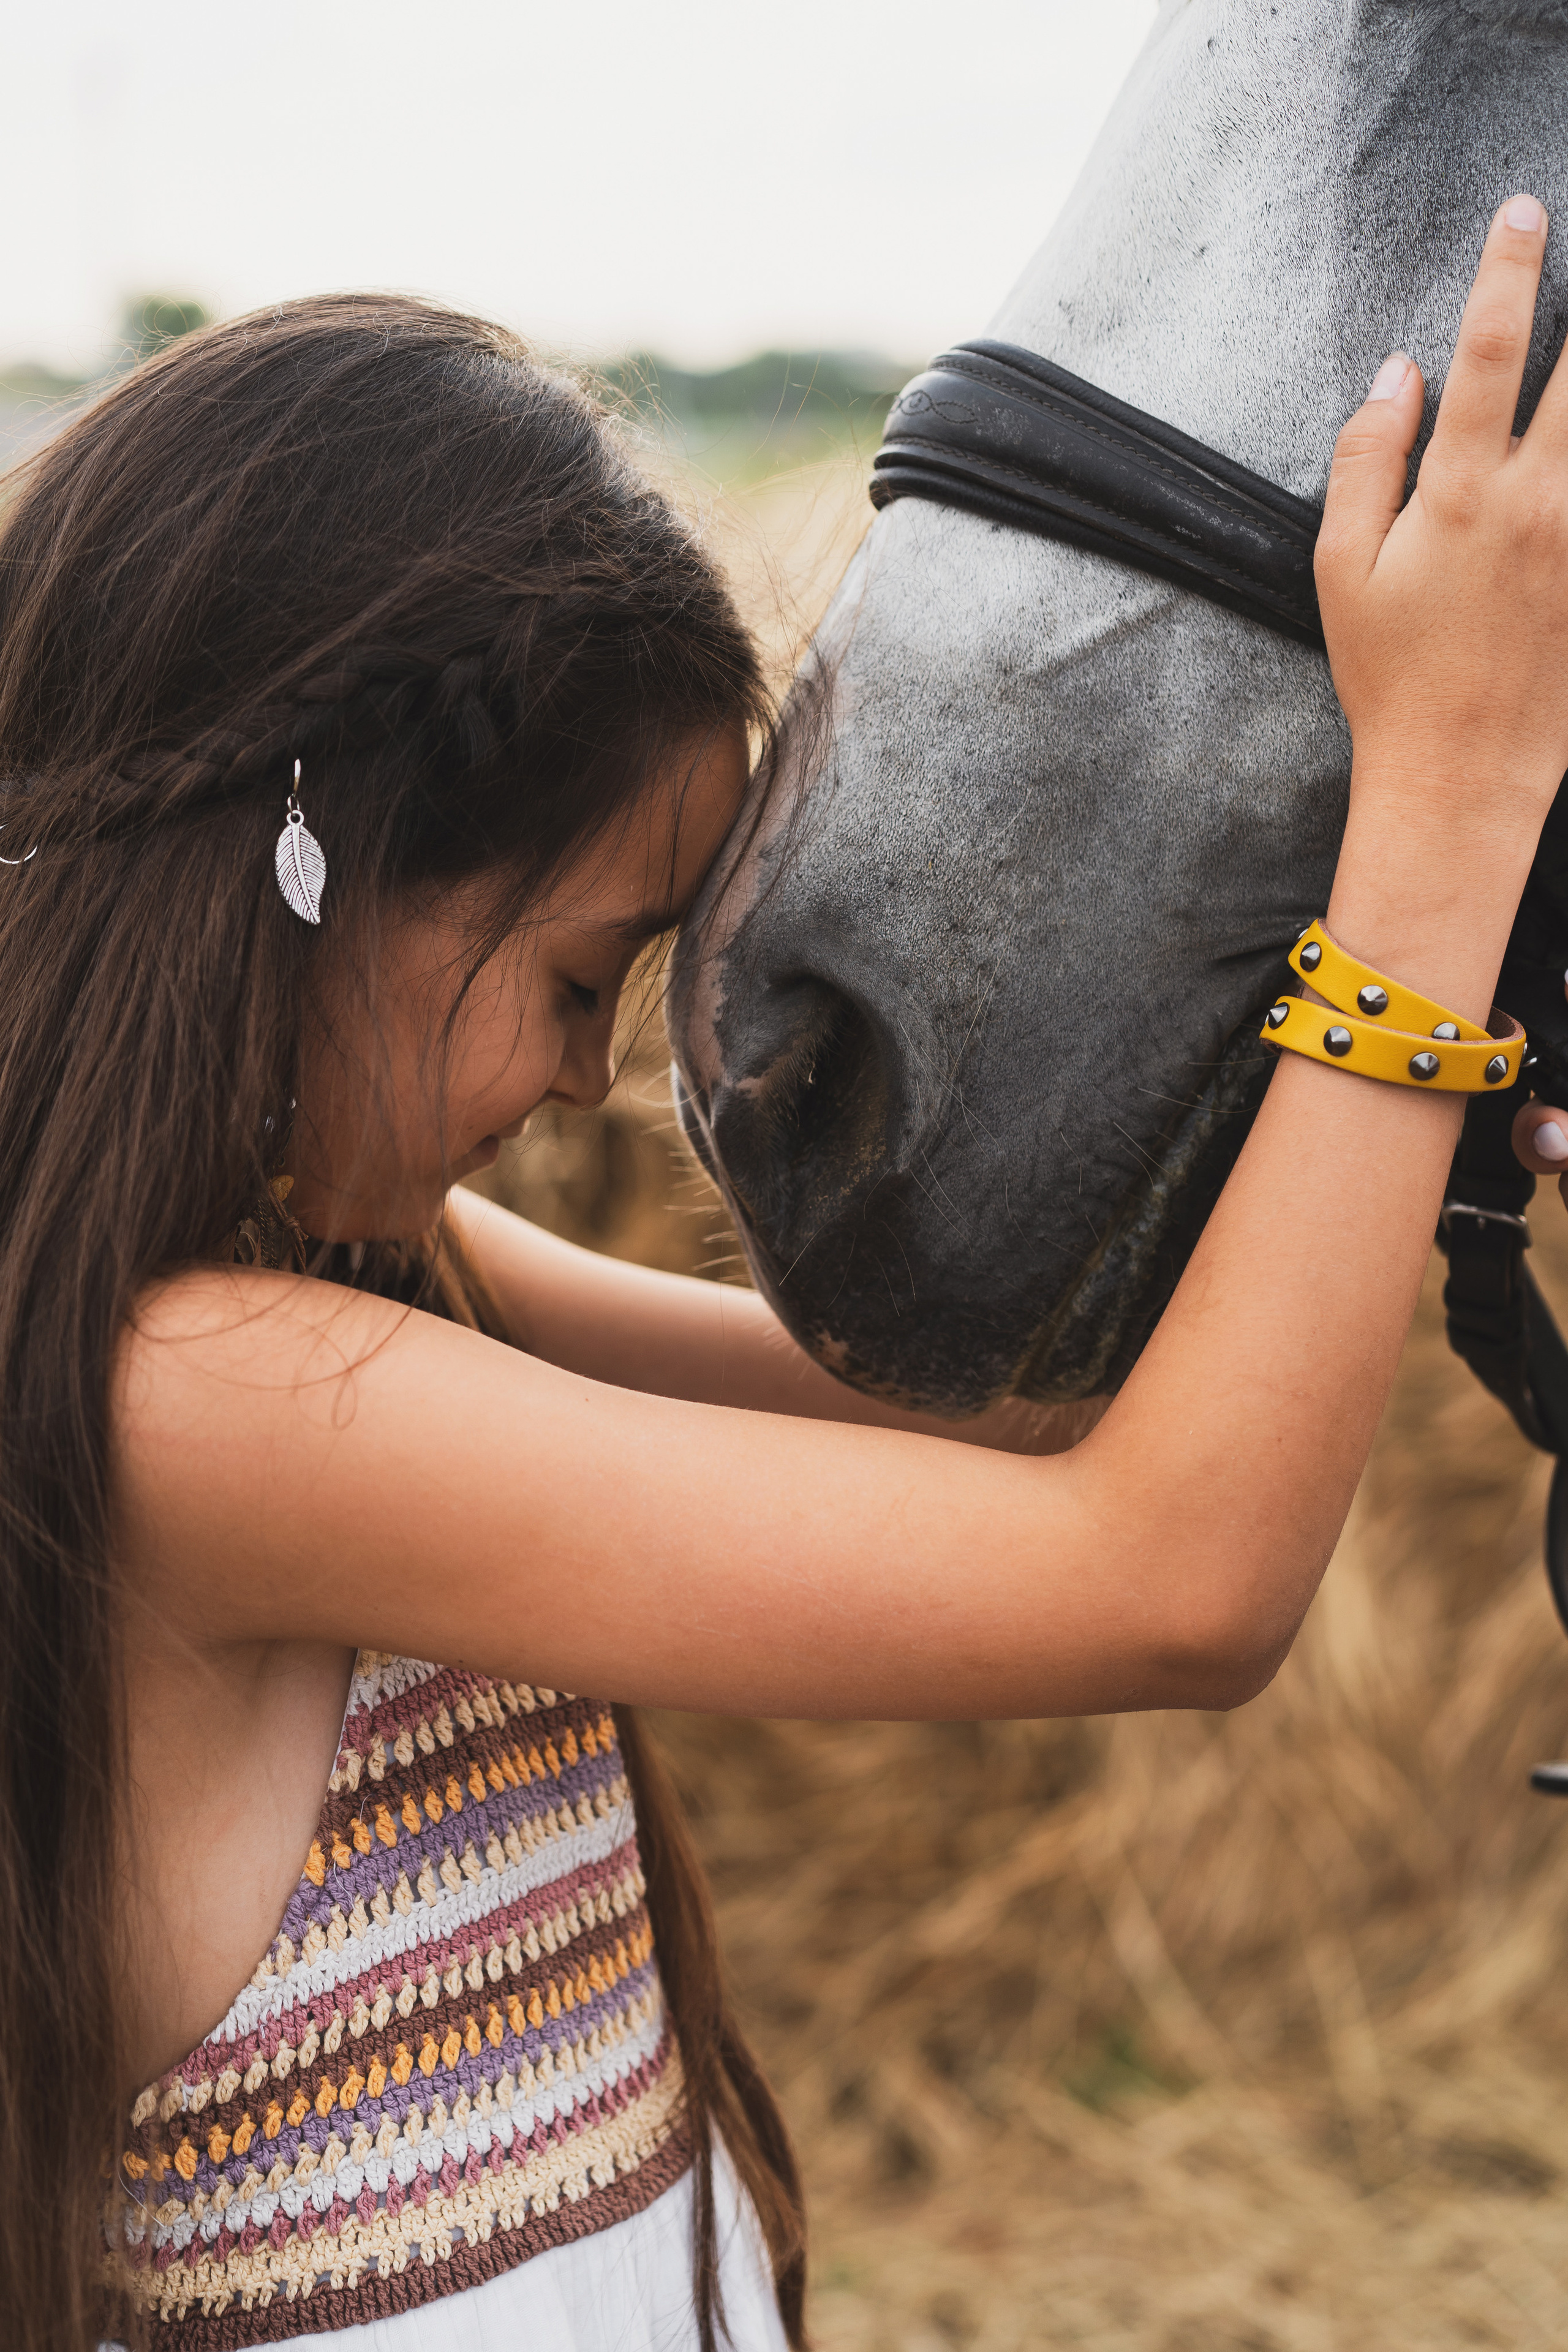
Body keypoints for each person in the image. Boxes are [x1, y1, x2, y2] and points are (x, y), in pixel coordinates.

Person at [6, 196, 1568, 2352]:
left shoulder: (373, 1287)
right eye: (574, 980)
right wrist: (1451, 806)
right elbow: (1172, 1574)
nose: (578, 1087)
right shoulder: (206, 1399)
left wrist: (1432, 1093)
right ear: (320, 861)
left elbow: (1042, 1408)